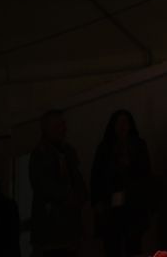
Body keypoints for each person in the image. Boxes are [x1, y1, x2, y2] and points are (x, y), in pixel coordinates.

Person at [90, 110, 153, 257]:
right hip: (110, 208)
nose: (122, 126)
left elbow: (145, 173)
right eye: (119, 122)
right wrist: (97, 201)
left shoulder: (138, 145)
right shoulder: (105, 147)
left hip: (133, 206)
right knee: (112, 246)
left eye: (126, 122)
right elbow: (96, 175)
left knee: (133, 246)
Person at [28, 110, 86, 257]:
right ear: (47, 129)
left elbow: (77, 178)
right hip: (51, 227)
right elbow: (42, 185)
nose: (63, 129)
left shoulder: (68, 151)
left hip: (70, 226)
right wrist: (67, 195)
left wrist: (81, 195)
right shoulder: (39, 154)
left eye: (63, 125)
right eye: (58, 126)